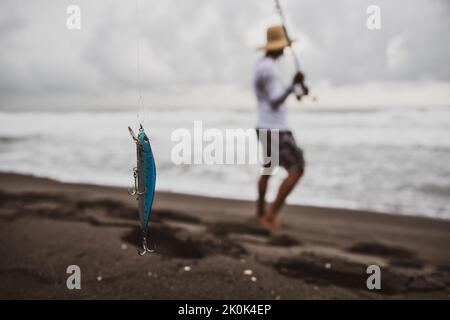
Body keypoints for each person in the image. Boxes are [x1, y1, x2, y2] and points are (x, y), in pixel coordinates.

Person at [254, 25, 309, 228]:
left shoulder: (264, 65)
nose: (285, 50)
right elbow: (275, 100)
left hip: (265, 126)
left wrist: (297, 87)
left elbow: (278, 95)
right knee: (297, 168)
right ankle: (270, 214)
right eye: (284, 46)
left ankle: (260, 211)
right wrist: (291, 85)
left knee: (268, 169)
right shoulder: (268, 69)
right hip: (275, 129)